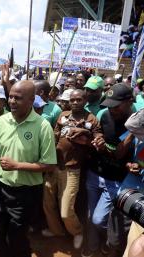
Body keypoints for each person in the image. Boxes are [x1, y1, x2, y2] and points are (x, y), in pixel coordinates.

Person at [0, 80, 57, 257]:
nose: (12, 101)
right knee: (0, 229)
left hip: (27, 192)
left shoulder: (43, 126)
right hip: (1, 187)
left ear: (31, 100)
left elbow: (49, 165)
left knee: (17, 235)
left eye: (18, 98)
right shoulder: (2, 120)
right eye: (11, 97)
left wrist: (17, 166)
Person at [43, 90, 103, 249]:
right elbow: (55, 135)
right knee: (48, 202)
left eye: (79, 99)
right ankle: (56, 231)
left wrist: (85, 132)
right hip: (54, 165)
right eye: (72, 100)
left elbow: (98, 141)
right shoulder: (63, 115)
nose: (75, 102)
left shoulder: (91, 119)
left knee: (66, 210)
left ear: (85, 100)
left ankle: (77, 232)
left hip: (72, 169)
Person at [84, 83, 137, 257]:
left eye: (116, 106)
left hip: (115, 179)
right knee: (92, 216)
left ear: (129, 101)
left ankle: (111, 243)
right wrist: (98, 139)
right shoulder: (104, 114)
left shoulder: (137, 124)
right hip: (95, 173)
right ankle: (93, 247)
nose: (111, 110)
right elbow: (98, 131)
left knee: (99, 219)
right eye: (109, 105)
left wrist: (134, 130)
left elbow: (121, 153)